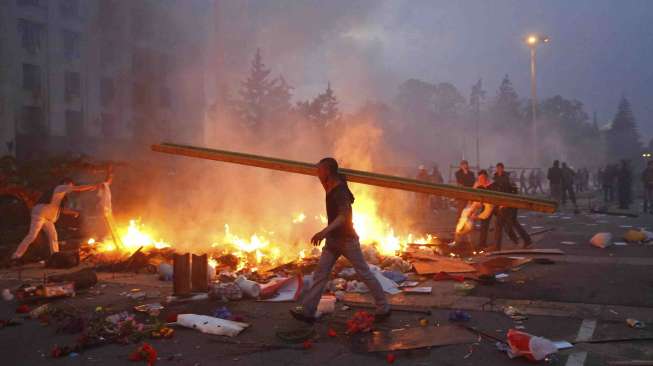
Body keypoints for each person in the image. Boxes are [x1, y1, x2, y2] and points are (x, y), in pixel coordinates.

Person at [290, 158, 390, 323]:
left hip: (347, 241)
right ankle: (307, 311)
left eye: (320, 170)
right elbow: (334, 180)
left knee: (364, 273)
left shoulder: (340, 191)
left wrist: (324, 231)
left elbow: (343, 217)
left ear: (328, 171)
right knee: (320, 275)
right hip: (332, 241)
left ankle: (383, 307)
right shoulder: (330, 184)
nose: (317, 173)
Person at [12, 178, 98, 260]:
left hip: (48, 219)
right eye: (71, 185)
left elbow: (63, 210)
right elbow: (78, 188)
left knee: (53, 236)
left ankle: (55, 256)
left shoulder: (61, 197)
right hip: (39, 214)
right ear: (66, 183)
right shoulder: (60, 188)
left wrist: (74, 213)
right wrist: (93, 186)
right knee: (32, 236)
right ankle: (16, 256)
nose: (70, 188)